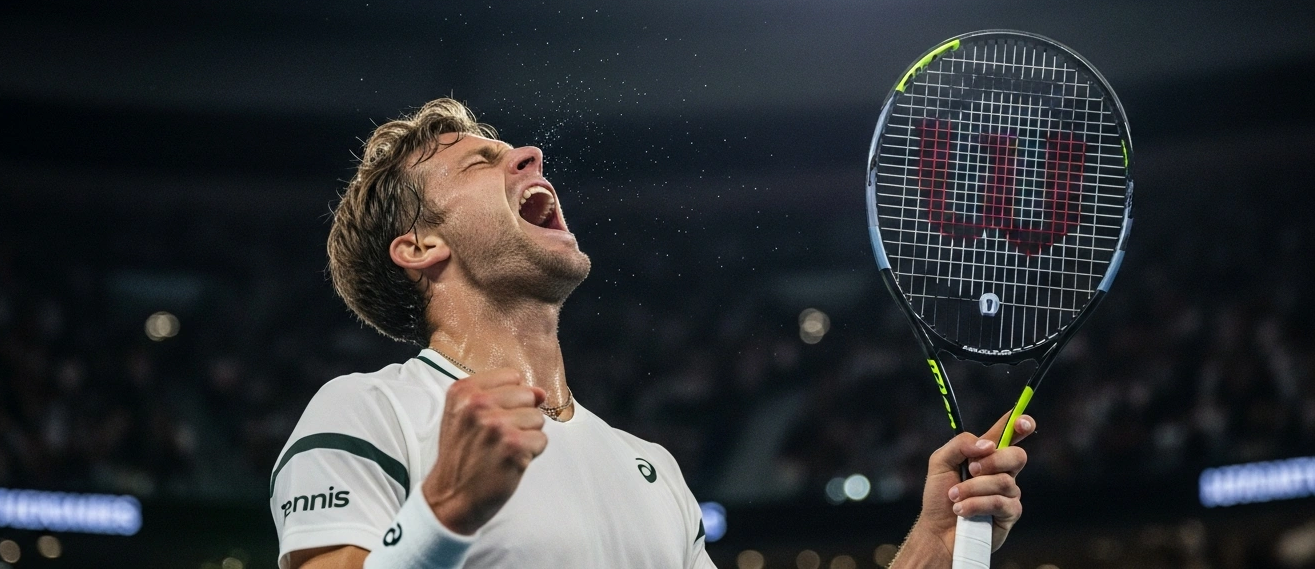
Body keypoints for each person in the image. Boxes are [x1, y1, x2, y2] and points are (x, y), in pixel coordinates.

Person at [270, 98, 1033, 569]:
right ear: (418, 246)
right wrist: (442, 515)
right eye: (481, 161)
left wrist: (934, 543)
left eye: (515, 152)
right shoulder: (367, 413)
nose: (531, 157)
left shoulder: (653, 471)